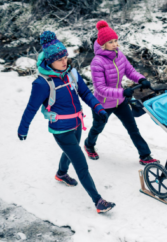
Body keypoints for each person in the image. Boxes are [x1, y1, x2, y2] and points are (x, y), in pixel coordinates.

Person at [17, 31, 115, 214]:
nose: (64, 61)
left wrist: (99, 108)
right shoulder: (42, 84)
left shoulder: (71, 74)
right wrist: (23, 129)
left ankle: (61, 173)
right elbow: (31, 108)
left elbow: (85, 93)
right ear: (49, 61)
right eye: (59, 59)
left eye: (65, 57)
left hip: (77, 123)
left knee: (72, 150)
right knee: (80, 163)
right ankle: (98, 201)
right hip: (61, 129)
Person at [84, 20, 159, 166]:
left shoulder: (119, 55)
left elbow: (129, 71)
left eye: (116, 41)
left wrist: (141, 79)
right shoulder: (97, 62)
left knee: (133, 128)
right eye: (111, 42)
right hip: (103, 104)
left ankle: (145, 155)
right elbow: (100, 88)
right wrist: (123, 92)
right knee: (98, 127)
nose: (115, 44)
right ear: (103, 44)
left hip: (120, 101)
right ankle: (89, 145)